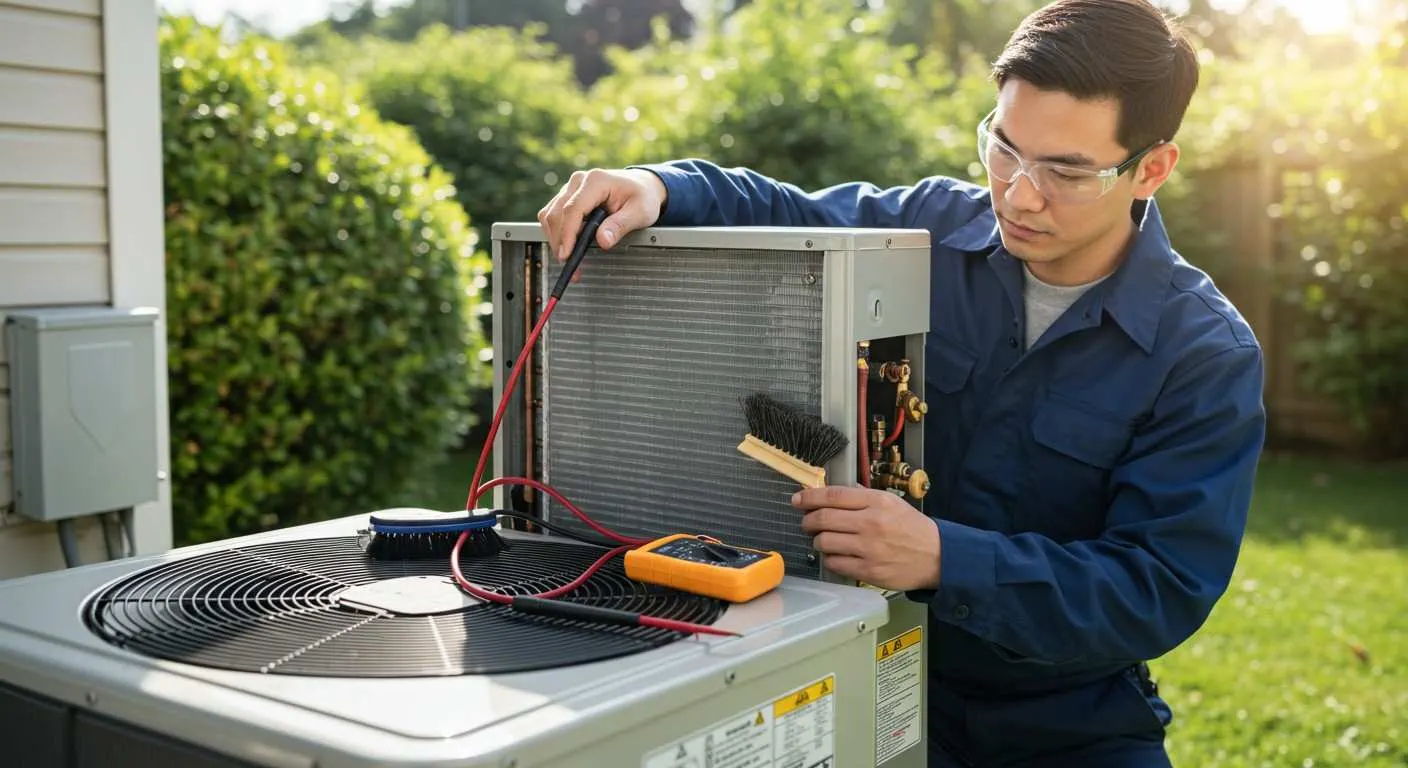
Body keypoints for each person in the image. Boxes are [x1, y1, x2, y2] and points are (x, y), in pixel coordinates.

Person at [537, 0, 1265, 764]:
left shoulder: (1204, 353)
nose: (1018, 194)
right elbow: (789, 213)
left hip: (1066, 721)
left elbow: (1156, 587)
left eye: (1066, 172)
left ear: (1151, 168)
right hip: (865, 668)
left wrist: (946, 558)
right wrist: (659, 186)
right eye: (1005, 149)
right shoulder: (924, 232)